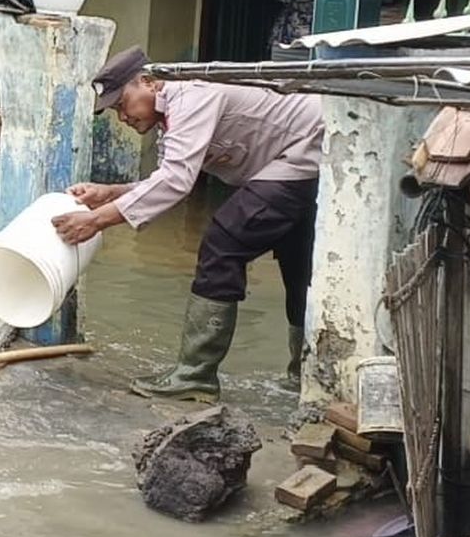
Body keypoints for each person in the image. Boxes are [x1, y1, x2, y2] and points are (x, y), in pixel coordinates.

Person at [52, 46, 323, 404]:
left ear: (149, 82)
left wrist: (97, 221)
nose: (122, 118)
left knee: (224, 240)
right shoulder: (172, 113)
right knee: (298, 262)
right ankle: (305, 376)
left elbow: (176, 180)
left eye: (122, 104)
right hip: (289, 159)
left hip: (306, 150)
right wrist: (110, 193)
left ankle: (195, 375)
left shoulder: (192, 96)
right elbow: (172, 175)